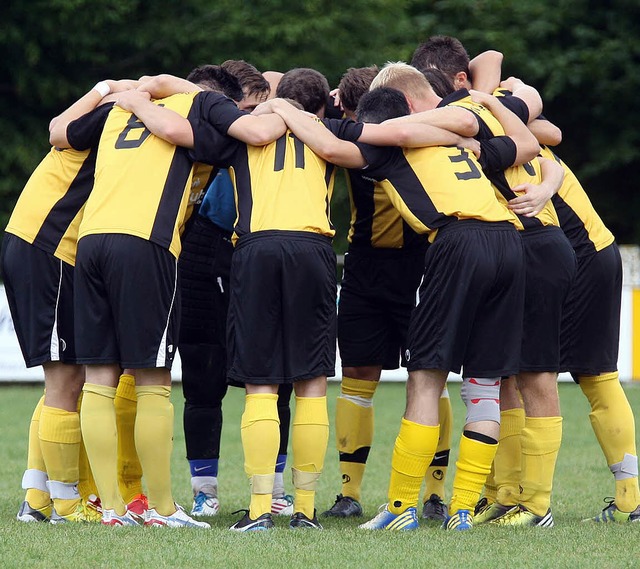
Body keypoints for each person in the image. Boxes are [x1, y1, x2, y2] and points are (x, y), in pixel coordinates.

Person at [49, 65, 286, 528]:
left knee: (99, 377)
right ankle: (161, 509)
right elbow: (236, 136)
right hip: (145, 242)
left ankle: (114, 510)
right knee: (152, 379)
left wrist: (128, 94)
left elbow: (61, 132)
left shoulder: (117, 110)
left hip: (91, 239)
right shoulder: (201, 107)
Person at [2, 78, 140, 524]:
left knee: (67, 379)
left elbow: (59, 126)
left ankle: (37, 499)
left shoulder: (108, 116)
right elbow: (59, 128)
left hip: (40, 245)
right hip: (51, 247)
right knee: (66, 380)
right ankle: (64, 503)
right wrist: (110, 92)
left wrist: (104, 88)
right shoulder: (115, 121)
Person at [321, 66, 452, 524]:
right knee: (357, 372)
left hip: (420, 265)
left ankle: (435, 494)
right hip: (365, 264)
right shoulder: (352, 135)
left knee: (428, 375)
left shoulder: (419, 130)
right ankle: (349, 493)